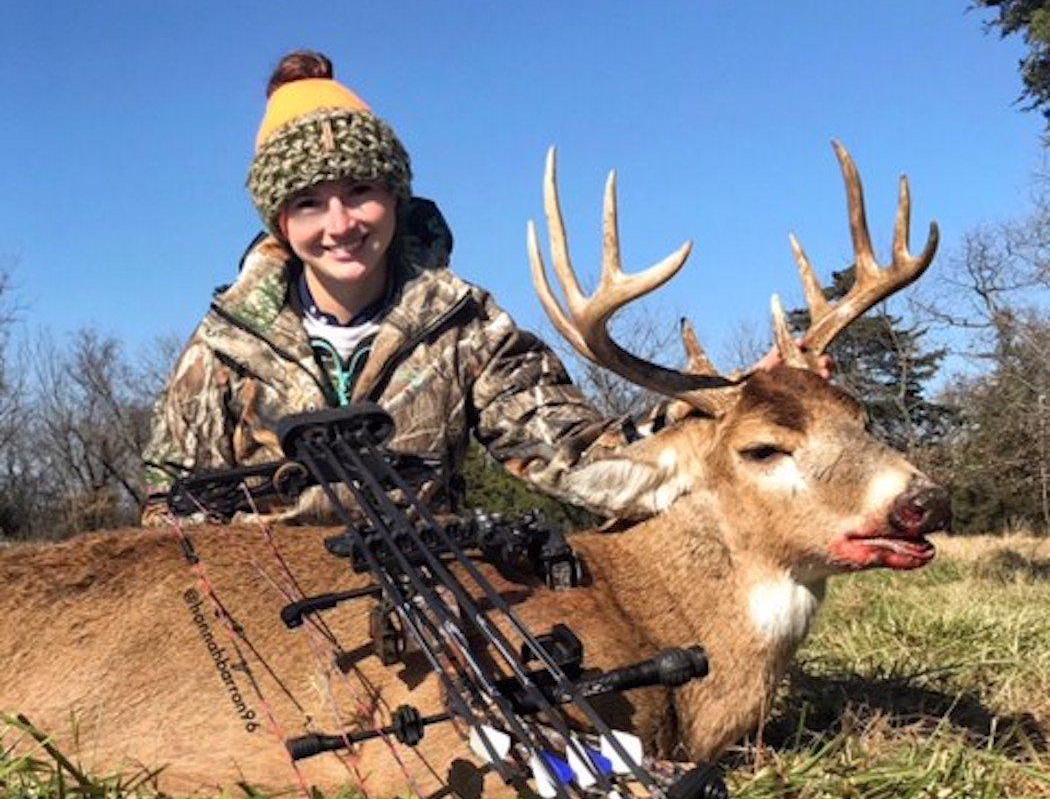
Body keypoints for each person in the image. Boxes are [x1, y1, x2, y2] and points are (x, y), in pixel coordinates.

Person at [142, 49, 710, 524]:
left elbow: (573, 453)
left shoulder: (466, 328)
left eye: (361, 189)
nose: (340, 225)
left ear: (395, 199)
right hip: (266, 620)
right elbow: (168, 504)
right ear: (281, 223)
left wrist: (702, 419)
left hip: (433, 609)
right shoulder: (222, 349)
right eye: (309, 202)